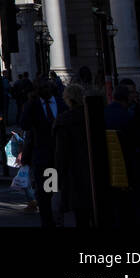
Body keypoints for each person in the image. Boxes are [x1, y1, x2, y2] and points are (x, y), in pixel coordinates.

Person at [104, 79, 140, 227]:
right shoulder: (128, 116)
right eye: (132, 93)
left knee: (120, 210)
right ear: (126, 97)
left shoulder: (105, 113)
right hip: (132, 170)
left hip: (112, 171)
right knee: (139, 208)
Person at [19, 79, 61, 226]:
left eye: (47, 87)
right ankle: (49, 221)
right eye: (42, 87)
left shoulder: (60, 103)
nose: (46, 90)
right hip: (44, 157)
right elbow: (24, 124)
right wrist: (30, 103)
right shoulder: (34, 105)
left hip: (60, 155)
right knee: (46, 193)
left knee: (59, 192)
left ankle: (56, 218)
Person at [54, 83, 95, 227]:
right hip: (95, 173)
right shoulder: (93, 116)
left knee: (81, 217)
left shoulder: (64, 120)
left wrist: (54, 183)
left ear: (68, 99)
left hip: (75, 175)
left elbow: (60, 156)